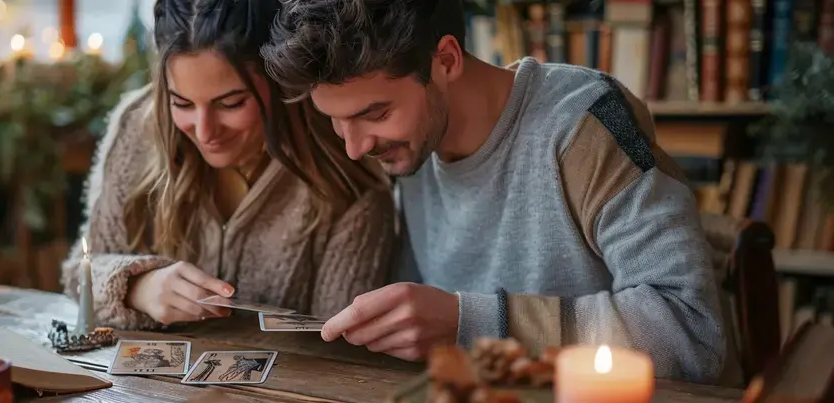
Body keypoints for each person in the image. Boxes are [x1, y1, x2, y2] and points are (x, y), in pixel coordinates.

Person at [260, 0, 725, 383]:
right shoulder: (410, 150)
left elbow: (692, 333)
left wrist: (471, 322)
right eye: (336, 122)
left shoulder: (583, 124)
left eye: (375, 114)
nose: (356, 147)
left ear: (445, 60)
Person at [60, 0, 396, 331]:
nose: (205, 132)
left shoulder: (345, 177)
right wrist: (138, 288)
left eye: (231, 103)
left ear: (280, 81)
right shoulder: (138, 127)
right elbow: (78, 276)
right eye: (182, 103)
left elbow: (341, 353)